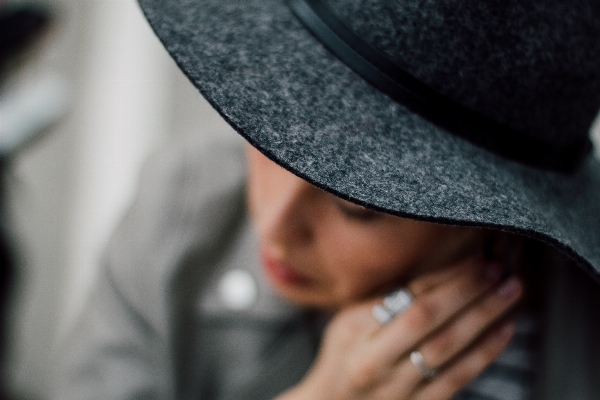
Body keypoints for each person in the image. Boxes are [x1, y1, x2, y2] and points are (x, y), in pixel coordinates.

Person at [54, 0, 600, 399]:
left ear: (495, 218)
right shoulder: (180, 213)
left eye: (355, 206)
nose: (273, 222)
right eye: (267, 138)